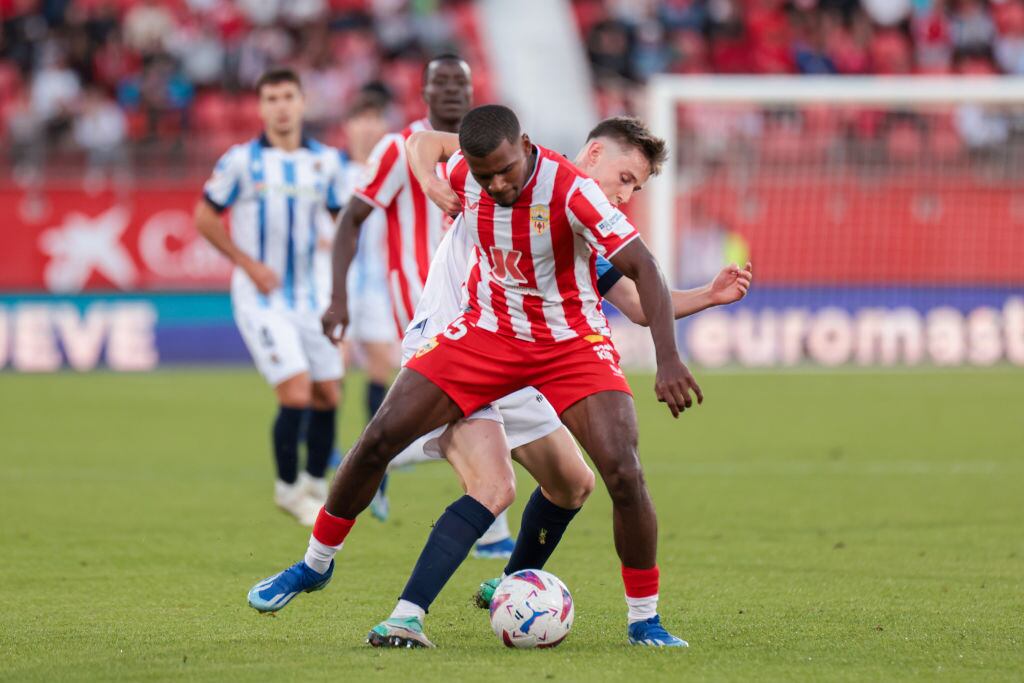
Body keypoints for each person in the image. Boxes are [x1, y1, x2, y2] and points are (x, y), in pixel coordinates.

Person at [247, 104, 706, 646]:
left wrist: (669, 358)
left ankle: (643, 620)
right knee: (378, 439)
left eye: (505, 172)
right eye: (484, 175)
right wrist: (431, 181)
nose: (497, 185)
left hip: (568, 346)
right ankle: (317, 563)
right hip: (487, 336)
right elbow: (421, 147)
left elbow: (642, 272)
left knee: (619, 473)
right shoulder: (468, 173)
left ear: (527, 147)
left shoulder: (575, 191)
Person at [358, 117, 752, 648]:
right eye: (626, 177)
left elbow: (637, 301)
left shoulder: (583, 223)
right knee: (492, 487)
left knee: (575, 482)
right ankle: (404, 613)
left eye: (637, 187)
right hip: (463, 342)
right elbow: (426, 140)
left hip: (528, 358)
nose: (628, 194)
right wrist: (428, 179)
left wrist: (707, 294)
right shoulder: (516, 172)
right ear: (592, 154)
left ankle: (509, 585)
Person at [321, 53, 514, 555]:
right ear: (424, 93)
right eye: (440, 83)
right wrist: (338, 298)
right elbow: (351, 220)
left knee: (481, 410)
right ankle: (492, 531)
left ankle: (375, 459)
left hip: (484, 299)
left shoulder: (489, 150)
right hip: (423, 305)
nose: (451, 91)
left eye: (459, 83)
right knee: (488, 405)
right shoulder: (395, 149)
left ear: (472, 93)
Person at [195, 68, 345, 525]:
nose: (280, 106)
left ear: (302, 103)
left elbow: (344, 221)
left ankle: (315, 488)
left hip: (309, 295)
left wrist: (332, 247)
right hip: (260, 298)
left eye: (288, 97)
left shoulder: (326, 162)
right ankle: (286, 489)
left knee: (328, 394)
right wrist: (248, 262)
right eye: (271, 98)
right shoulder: (242, 161)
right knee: (296, 391)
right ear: (261, 108)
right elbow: (204, 217)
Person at [333, 92, 400, 516]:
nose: (368, 127)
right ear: (349, 127)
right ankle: (325, 456)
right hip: (337, 285)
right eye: (361, 119)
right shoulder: (332, 171)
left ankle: (378, 476)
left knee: (381, 372)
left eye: (376, 119)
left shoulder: (391, 169)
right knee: (331, 372)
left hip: (378, 286)